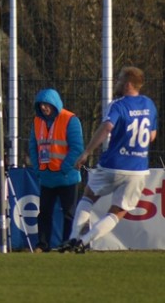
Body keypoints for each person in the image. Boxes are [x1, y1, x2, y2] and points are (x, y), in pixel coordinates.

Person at [60, 66, 158, 253]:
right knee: (118, 211)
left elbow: (107, 128)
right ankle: (84, 241)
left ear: (128, 84)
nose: (117, 82)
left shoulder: (118, 105)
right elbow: (152, 136)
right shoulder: (149, 104)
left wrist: (86, 152)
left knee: (88, 196)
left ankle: (73, 237)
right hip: (138, 169)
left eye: (120, 79)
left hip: (113, 164)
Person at [28, 88, 83, 252]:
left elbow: (77, 148)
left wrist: (64, 168)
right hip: (47, 176)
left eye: (46, 104)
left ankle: (68, 244)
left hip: (67, 177)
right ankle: (42, 244)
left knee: (69, 213)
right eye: (41, 105)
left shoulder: (70, 119)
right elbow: (33, 146)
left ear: (55, 104)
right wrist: (37, 168)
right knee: (44, 213)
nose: (43, 107)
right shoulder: (37, 121)